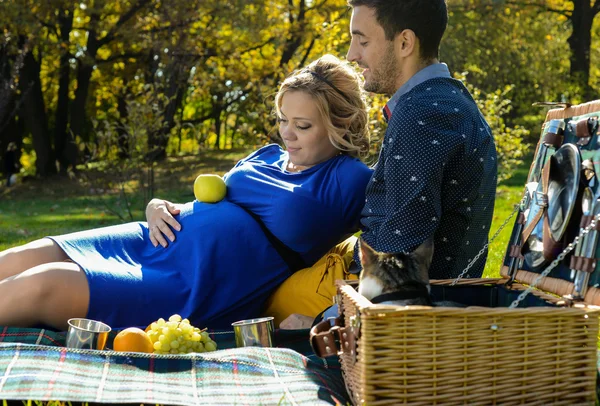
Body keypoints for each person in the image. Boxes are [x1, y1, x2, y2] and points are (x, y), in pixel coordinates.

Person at [0, 54, 374, 331]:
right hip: (152, 238)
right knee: (16, 260)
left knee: (44, 282)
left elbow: (396, 239)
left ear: (339, 125)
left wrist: (327, 316)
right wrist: (157, 205)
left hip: (190, 283)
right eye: (282, 120)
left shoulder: (348, 179)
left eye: (302, 125)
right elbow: (215, 204)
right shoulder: (267, 155)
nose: (286, 134)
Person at [281, 0, 497, 329]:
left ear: (405, 43)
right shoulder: (447, 100)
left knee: (256, 302)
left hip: (396, 322)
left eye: (363, 40)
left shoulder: (422, 115)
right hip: (399, 301)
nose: (352, 55)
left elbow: (399, 264)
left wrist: (323, 322)